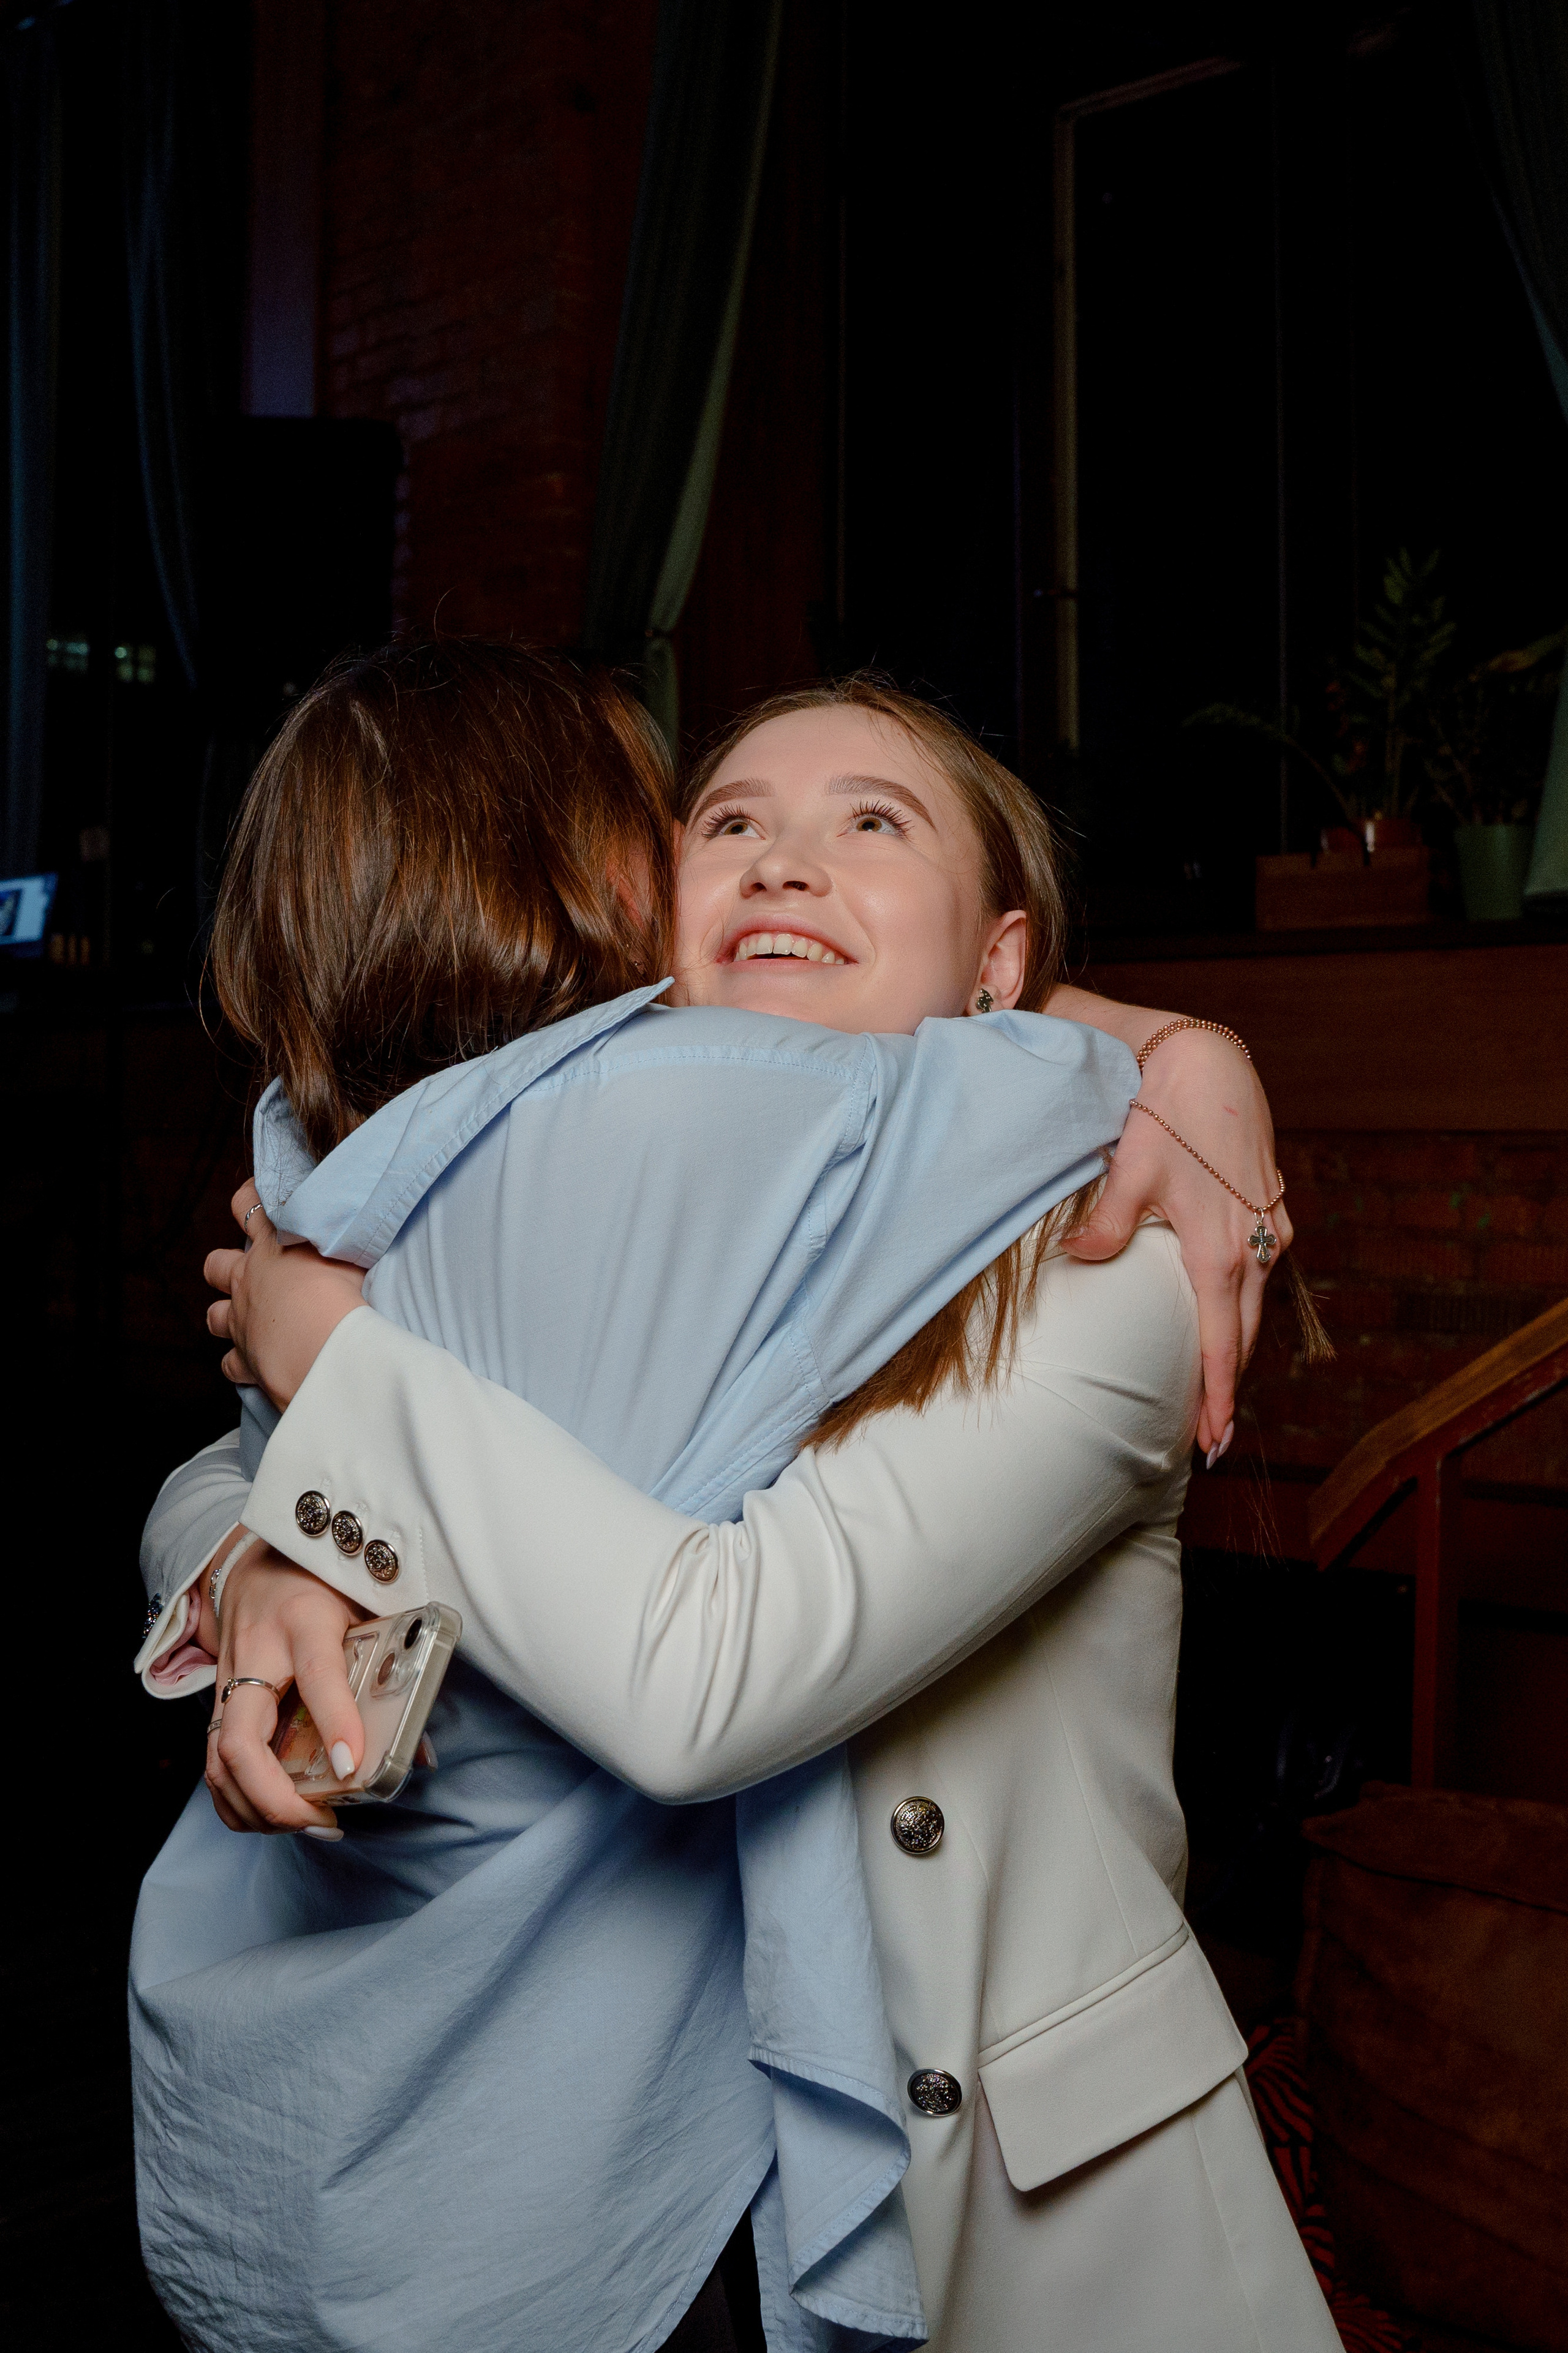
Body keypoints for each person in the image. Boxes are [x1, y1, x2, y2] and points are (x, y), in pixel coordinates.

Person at [140, 657, 1316, 2351]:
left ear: (1003, 960)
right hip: (658, 2163)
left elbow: (712, 1678)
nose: (785, 860)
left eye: (873, 823)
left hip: (1011, 2185)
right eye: (732, 824)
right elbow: (230, 1458)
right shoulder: (559, 1181)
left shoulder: (1101, 1272)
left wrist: (1175, 1047)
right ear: (652, 928)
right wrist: (262, 1547)